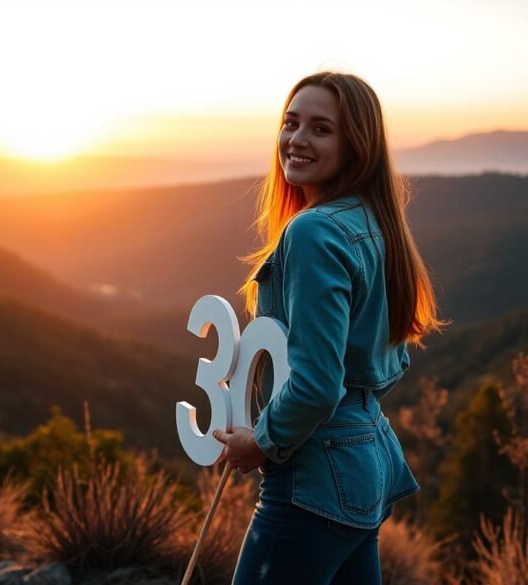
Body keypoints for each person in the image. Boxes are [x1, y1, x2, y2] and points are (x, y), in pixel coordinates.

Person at [211, 71, 447, 584]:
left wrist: (260, 443)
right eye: (291, 123)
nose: (296, 140)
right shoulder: (371, 220)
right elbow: (382, 363)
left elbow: (317, 386)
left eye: (321, 129)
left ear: (355, 146)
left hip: (314, 472)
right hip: (365, 457)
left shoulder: (315, 230)